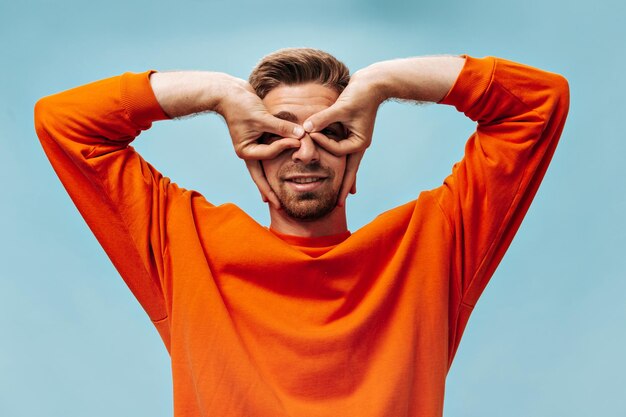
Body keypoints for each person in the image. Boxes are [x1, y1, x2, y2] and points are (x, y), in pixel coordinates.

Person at [34, 48, 569, 417]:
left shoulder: (433, 242)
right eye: (277, 132)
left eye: (332, 131)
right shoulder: (182, 240)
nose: (306, 151)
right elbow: (63, 121)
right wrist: (217, 93)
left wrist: (381, 82)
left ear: (358, 145)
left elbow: (538, 103)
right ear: (249, 146)